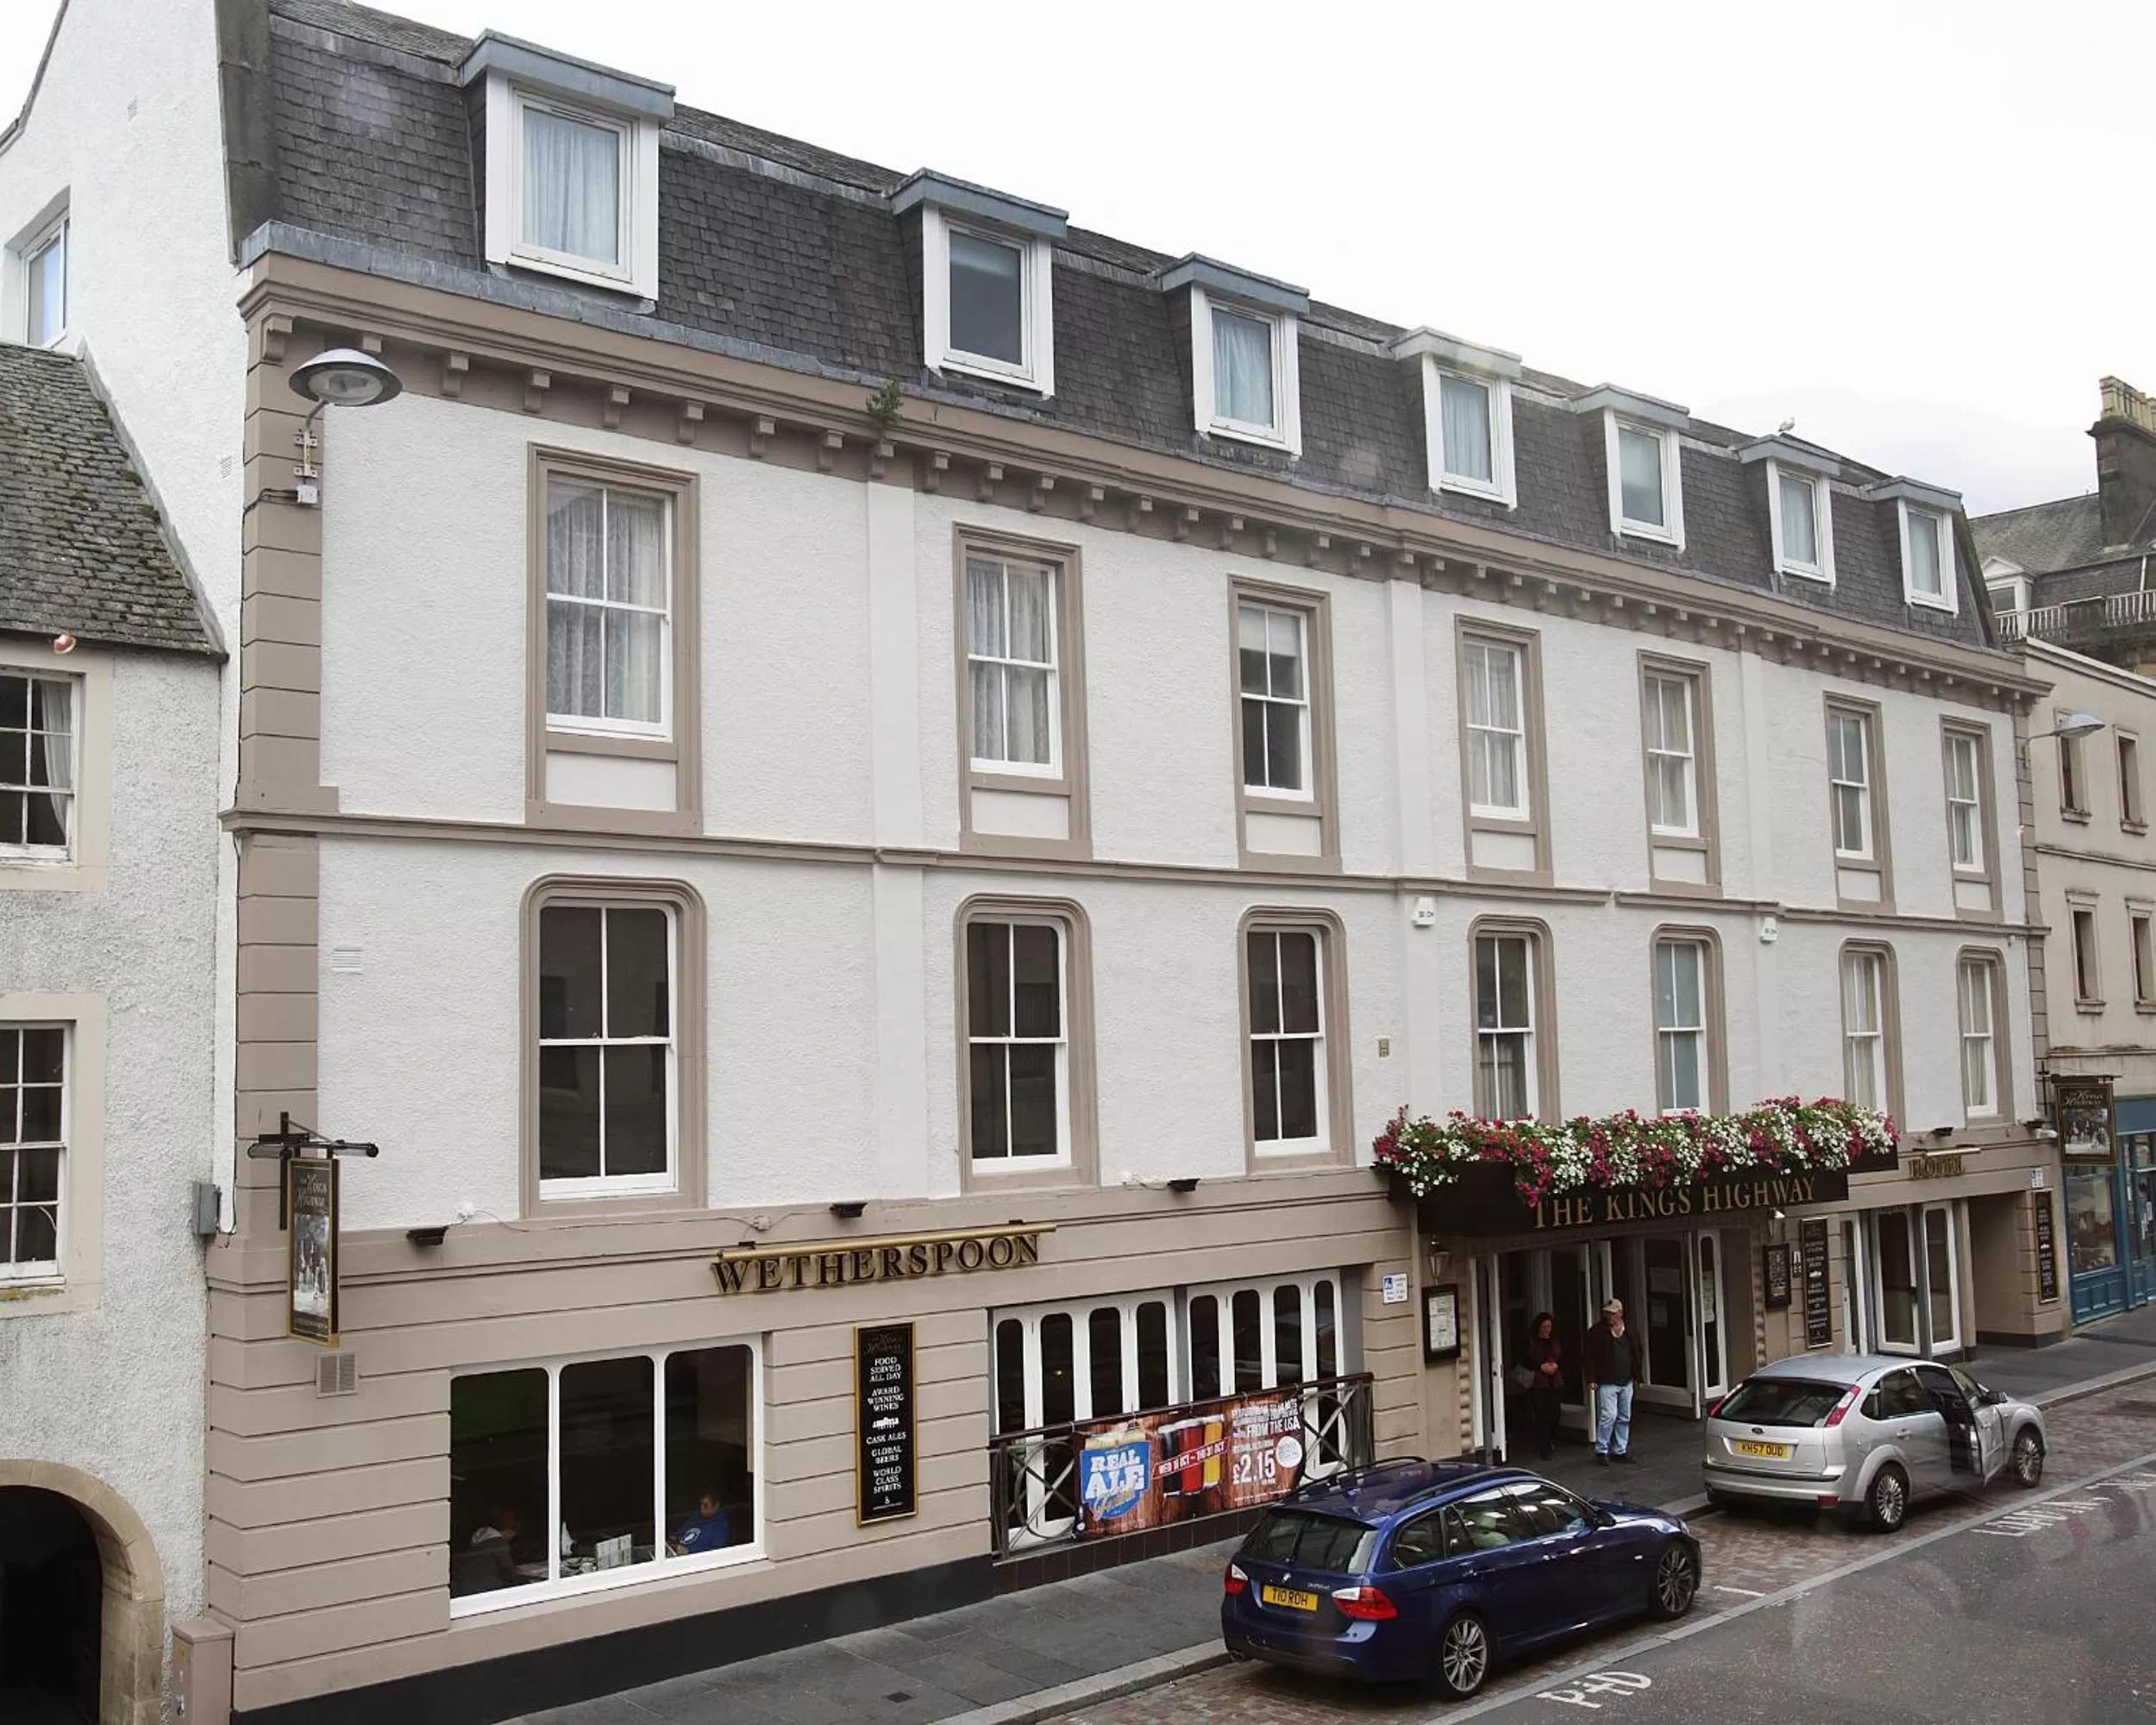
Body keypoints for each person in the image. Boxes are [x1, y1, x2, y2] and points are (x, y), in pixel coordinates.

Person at [1583, 1298, 1641, 1465]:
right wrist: (1591, 1378)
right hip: (1607, 1381)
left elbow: (1637, 1352)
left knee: (1624, 1416)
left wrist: (1637, 1374)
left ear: (1620, 1313)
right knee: (1609, 1416)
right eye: (1607, 1313)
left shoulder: (1630, 1331)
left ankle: (1620, 1450)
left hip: (1626, 1380)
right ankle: (1602, 1450)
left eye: (1612, 1314)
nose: (1609, 1317)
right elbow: (1589, 1357)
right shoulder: (1597, 1332)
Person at [1524, 1313, 1564, 1459]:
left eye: (1549, 1326)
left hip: (1555, 1382)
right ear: (1538, 1327)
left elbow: (1563, 1357)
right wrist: (1540, 1367)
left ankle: (1551, 1439)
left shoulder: (1555, 1341)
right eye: (1544, 1327)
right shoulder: (1533, 1342)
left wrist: (1556, 1365)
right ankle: (1544, 1448)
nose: (1547, 1330)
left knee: (1555, 1414)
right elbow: (1525, 1360)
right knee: (1542, 1416)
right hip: (1539, 1383)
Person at [669, 1489, 730, 1556]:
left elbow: (716, 1552)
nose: (702, 1508)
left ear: (716, 1506)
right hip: (677, 1553)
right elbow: (681, 1533)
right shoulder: (696, 1517)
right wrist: (674, 1538)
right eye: (701, 1504)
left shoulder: (720, 1525)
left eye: (705, 1505)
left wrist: (689, 1551)